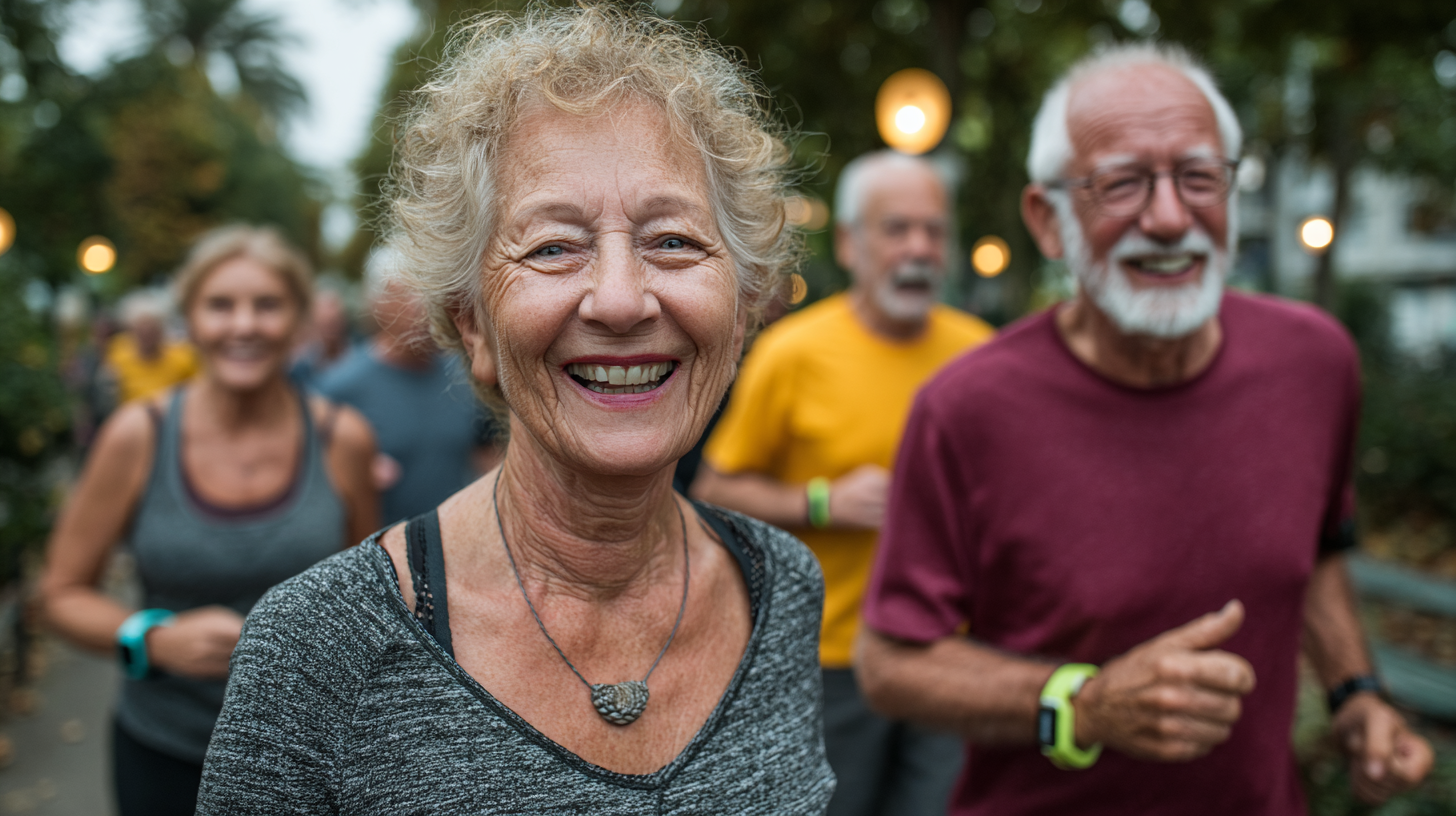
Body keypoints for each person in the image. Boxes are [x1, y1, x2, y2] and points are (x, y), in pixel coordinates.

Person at [196, 7, 835, 813]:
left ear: (740, 313)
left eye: (672, 240)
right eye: (552, 247)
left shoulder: (781, 589)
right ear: (474, 326)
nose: (619, 298)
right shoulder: (318, 650)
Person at [857, 44, 1434, 816]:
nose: (1169, 219)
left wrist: (1357, 694)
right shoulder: (964, 408)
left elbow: (1319, 548)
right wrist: (1082, 702)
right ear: (1048, 220)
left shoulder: (1316, 362)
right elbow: (889, 661)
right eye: (1123, 183)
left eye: (1199, 177)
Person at [693, 150, 995, 816]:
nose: (918, 248)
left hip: (951, 651)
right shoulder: (792, 354)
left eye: (934, 230)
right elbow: (713, 493)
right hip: (828, 658)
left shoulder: (981, 356)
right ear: (852, 243)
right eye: (897, 229)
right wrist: (822, 502)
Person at [40, 226, 379, 816]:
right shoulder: (137, 434)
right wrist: (155, 639)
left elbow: (367, 602)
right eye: (220, 305)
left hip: (310, 759)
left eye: (267, 305)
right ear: (190, 319)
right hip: (165, 751)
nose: (243, 325)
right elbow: (61, 594)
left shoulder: (342, 439)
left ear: (299, 321)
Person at [318, 250, 500, 523]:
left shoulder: (467, 373)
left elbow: (487, 455)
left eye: (430, 294)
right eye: (405, 294)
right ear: (376, 302)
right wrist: (351, 469)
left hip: (459, 544)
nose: (420, 307)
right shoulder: (339, 386)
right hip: (381, 553)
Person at [105, 289, 200, 404]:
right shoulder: (118, 353)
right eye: (141, 329)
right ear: (131, 330)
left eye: (152, 328)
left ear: (161, 329)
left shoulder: (183, 357)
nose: (147, 333)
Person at [289, 287, 353, 387]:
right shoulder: (300, 364)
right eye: (325, 323)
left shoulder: (355, 360)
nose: (332, 329)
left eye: (334, 322)